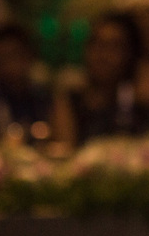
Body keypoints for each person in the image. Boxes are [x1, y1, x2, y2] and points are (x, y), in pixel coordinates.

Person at [51, 12, 143, 148]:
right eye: (97, 44)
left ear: (130, 53)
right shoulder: (71, 101)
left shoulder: (138, 104)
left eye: (113, 46)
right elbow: (63, 152)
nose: (102, 55)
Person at [0, 22, 51, 142]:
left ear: (28, 56)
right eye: (1, 58)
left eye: (14, 55)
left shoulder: (43, 98)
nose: (10, 65)